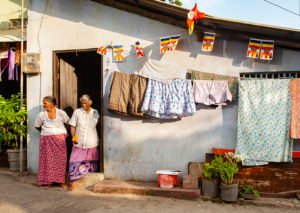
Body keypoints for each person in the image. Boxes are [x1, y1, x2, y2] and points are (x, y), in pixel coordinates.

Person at [34, 96, 69, 189]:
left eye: (45, 103)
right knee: (48, 160)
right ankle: (48, 181)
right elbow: (37, 126)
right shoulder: (41, 115)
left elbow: (68, 123)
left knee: (61, 159)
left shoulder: (61, 113)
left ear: (52, 104)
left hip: (60, 139)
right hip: (46, 139)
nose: (43, 105)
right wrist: (47, 132)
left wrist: (63, 133)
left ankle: (61, 181)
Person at [68, 94, 100, 190]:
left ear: (90, 102)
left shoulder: (95, 113)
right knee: (74, 161)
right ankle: (73, 182)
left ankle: (90, 182)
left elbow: (99, 126)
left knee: (90, 163)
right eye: (82, 103)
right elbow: (72, 125)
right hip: (79, 142)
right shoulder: (77, 112)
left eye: (85, 103)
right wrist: (74, 136)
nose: (83, 105)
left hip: (92, 142)